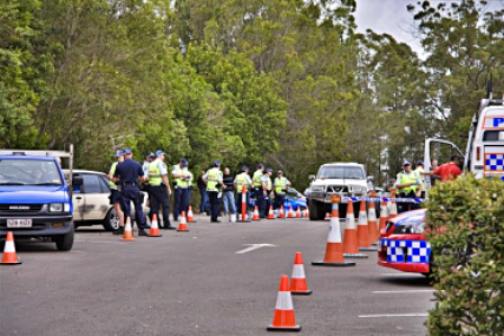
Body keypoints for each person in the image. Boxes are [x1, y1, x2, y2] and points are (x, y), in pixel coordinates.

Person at [114, 148, 148, 236]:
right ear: (131, 154)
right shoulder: (137, 164)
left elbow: (115, 178)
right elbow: (142, 178)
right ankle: (141, 229)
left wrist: (118, 181)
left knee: (126, 209)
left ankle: (128, 228)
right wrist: (139, 182)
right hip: (135, 188)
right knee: (138, 208)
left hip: (124, 188)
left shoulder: (119, 165)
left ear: (124, 155)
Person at [147, 150, 175, 230]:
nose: (164, 157)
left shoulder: (151, 164)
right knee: (165, 205)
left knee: (154, 206)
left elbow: (147, 177)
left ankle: (156, 223)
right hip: (160, 187)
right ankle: (166, 224)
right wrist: (168, 188)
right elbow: (164, 176)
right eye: (163, 155)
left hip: (152, 187)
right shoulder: (161, 164)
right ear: (159, 155)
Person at [108, 150, 125, 234]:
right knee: (124, 208)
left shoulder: (115, 164)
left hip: (115, 189)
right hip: (124, 189)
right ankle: (125, 226)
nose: (118, 158)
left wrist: (115, 180)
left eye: (119, 156)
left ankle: (121, 227)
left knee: (118, 209)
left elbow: (110, 176)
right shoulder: (127, 165)